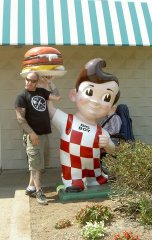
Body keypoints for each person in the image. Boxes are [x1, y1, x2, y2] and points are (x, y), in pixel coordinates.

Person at [47, 58, 120, 192]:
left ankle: (95, 178)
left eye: (106, 98)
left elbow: (113, 150)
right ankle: (74, 181)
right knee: (74, 173)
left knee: (96, 174)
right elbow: (50, 109)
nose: (95, 101)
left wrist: (108, 144)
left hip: (94, 170)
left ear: (111, 107)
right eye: (89, 92)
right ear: (74, 95)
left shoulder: (101, 131)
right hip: (72, 169)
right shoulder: (67, 121)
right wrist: (46, 85)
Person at [15, 72, 60, 205]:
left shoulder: (41, 92)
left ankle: (31, 187)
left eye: (33, 81)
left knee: (40, 164)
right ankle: (39, 191)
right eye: (28, 80)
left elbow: (57, 96)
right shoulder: (21, 97)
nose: (29, 82)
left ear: (37, 82)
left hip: (44, 134)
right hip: (32, 136)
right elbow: (20, 119)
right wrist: (31, 133)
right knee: (35, 164)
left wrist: (50, 82)